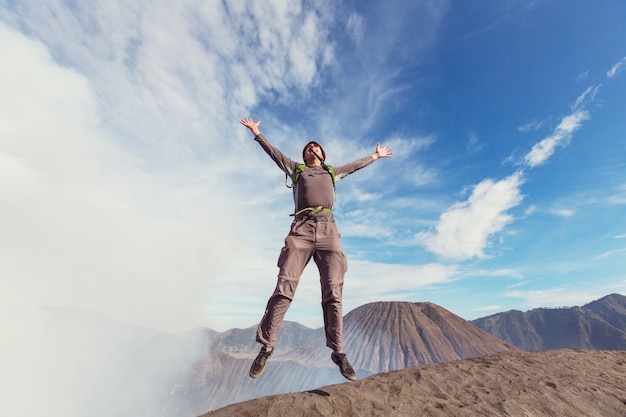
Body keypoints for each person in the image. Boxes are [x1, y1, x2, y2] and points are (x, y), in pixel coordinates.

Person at [240, 117, 393, 381]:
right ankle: (267, 347)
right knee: (284, 287)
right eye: (308, 147)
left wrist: (375, 156)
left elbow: (355, 166)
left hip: (328, 231)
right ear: (305, 155)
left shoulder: (332, 172)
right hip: (300, 230)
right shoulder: (296, 169)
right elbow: (274, 154)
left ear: (322, 154)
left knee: (333, 292)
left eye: (316, 146)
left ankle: (338, 351)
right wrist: (257, 133)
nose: (311, 147)